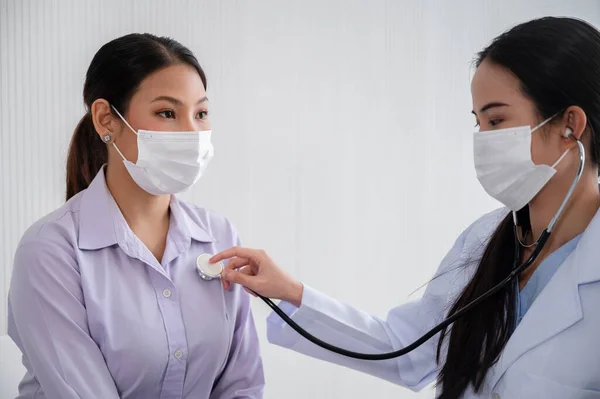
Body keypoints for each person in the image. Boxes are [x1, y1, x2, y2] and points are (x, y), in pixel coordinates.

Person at [211, 17, 600, 399]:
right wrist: (291, 292)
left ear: (571, 125)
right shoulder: (484, 241)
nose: (483, 140)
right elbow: (407, 350)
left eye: (496, 120)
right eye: (478, 123)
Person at [7, 33, 264, 399]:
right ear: (106, 120)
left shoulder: (219, 235)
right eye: (167, 113)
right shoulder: (50, 251)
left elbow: (243, 385)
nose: (193, 133)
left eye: (201, 113)